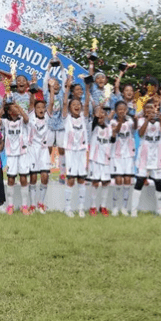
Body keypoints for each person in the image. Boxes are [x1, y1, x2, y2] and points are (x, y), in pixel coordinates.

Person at [131, 101, 161, 217]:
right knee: (139, 181)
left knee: (159, 182)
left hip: (158, 156)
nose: (149, 110)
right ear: (143, 110)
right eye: (147, 108)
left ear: (155, 109)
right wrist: (147, 120)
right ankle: (134, 210)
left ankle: (160, 209)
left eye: (151, 108)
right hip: (144, 155)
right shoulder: (141, 120)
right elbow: (141, 134)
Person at [61, 77, 91, 217]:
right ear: (69, 107)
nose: (77, 106)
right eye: (74, 104)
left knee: (81, 180)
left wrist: (87, 87)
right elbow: (64, 101)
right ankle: (67, 208)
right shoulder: (66, 118)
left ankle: (80, 208)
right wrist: (67, 87)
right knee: (71, 179)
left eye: (78, 104)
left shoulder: (83, 118)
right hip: (70, 152)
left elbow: (86, 104)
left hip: (81, 152)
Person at [0, 99, 31, 215]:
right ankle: (10, 206)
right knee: (11, 178)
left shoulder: (22, 120)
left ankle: (24, 206)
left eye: (17, 108)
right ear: (10, 112)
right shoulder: (6, 122)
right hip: (11, 154)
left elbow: (27, 119)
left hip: (22, 153)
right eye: (14, 109)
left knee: (23, 178)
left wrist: (18, 107)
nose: (17, 109)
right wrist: (3, 106)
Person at [109, 101, 137, 216]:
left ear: (126, 110)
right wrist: (120, 121)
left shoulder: (130, 121)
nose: (121, 111)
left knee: (127, 181)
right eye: (119, 109)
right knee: (118, 180)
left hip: (129, 155)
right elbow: (115, 132)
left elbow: (135, 128)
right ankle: (115, 207)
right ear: (116, 111)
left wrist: (135, 118)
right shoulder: (113, 122)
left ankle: (124, 207)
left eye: (123, 109)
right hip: (117, 155)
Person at [86, 102, 113, 216]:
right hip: (95, 159)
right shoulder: (93, 126)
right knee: (95, 182)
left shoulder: (110, 127)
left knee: (106, 182)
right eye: (99, 113)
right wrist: (99, 108)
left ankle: (103, 206)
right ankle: (92, 207)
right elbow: (96, 119)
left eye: (103, 113)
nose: (101, 115)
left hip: (106, 159)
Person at [26, 96, 52, 213]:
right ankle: (32, 205)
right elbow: (31, 102)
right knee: (33, 177)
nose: (41, 109)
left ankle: (40, 203)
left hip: (43, 150)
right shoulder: (31, 117)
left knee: (45, 176)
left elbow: (51, 102)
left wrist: (51, 88)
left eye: (43, 107)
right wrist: (33, 85)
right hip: (32, 150)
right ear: (34, 109)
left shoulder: (47, 117)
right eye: (38, 107)